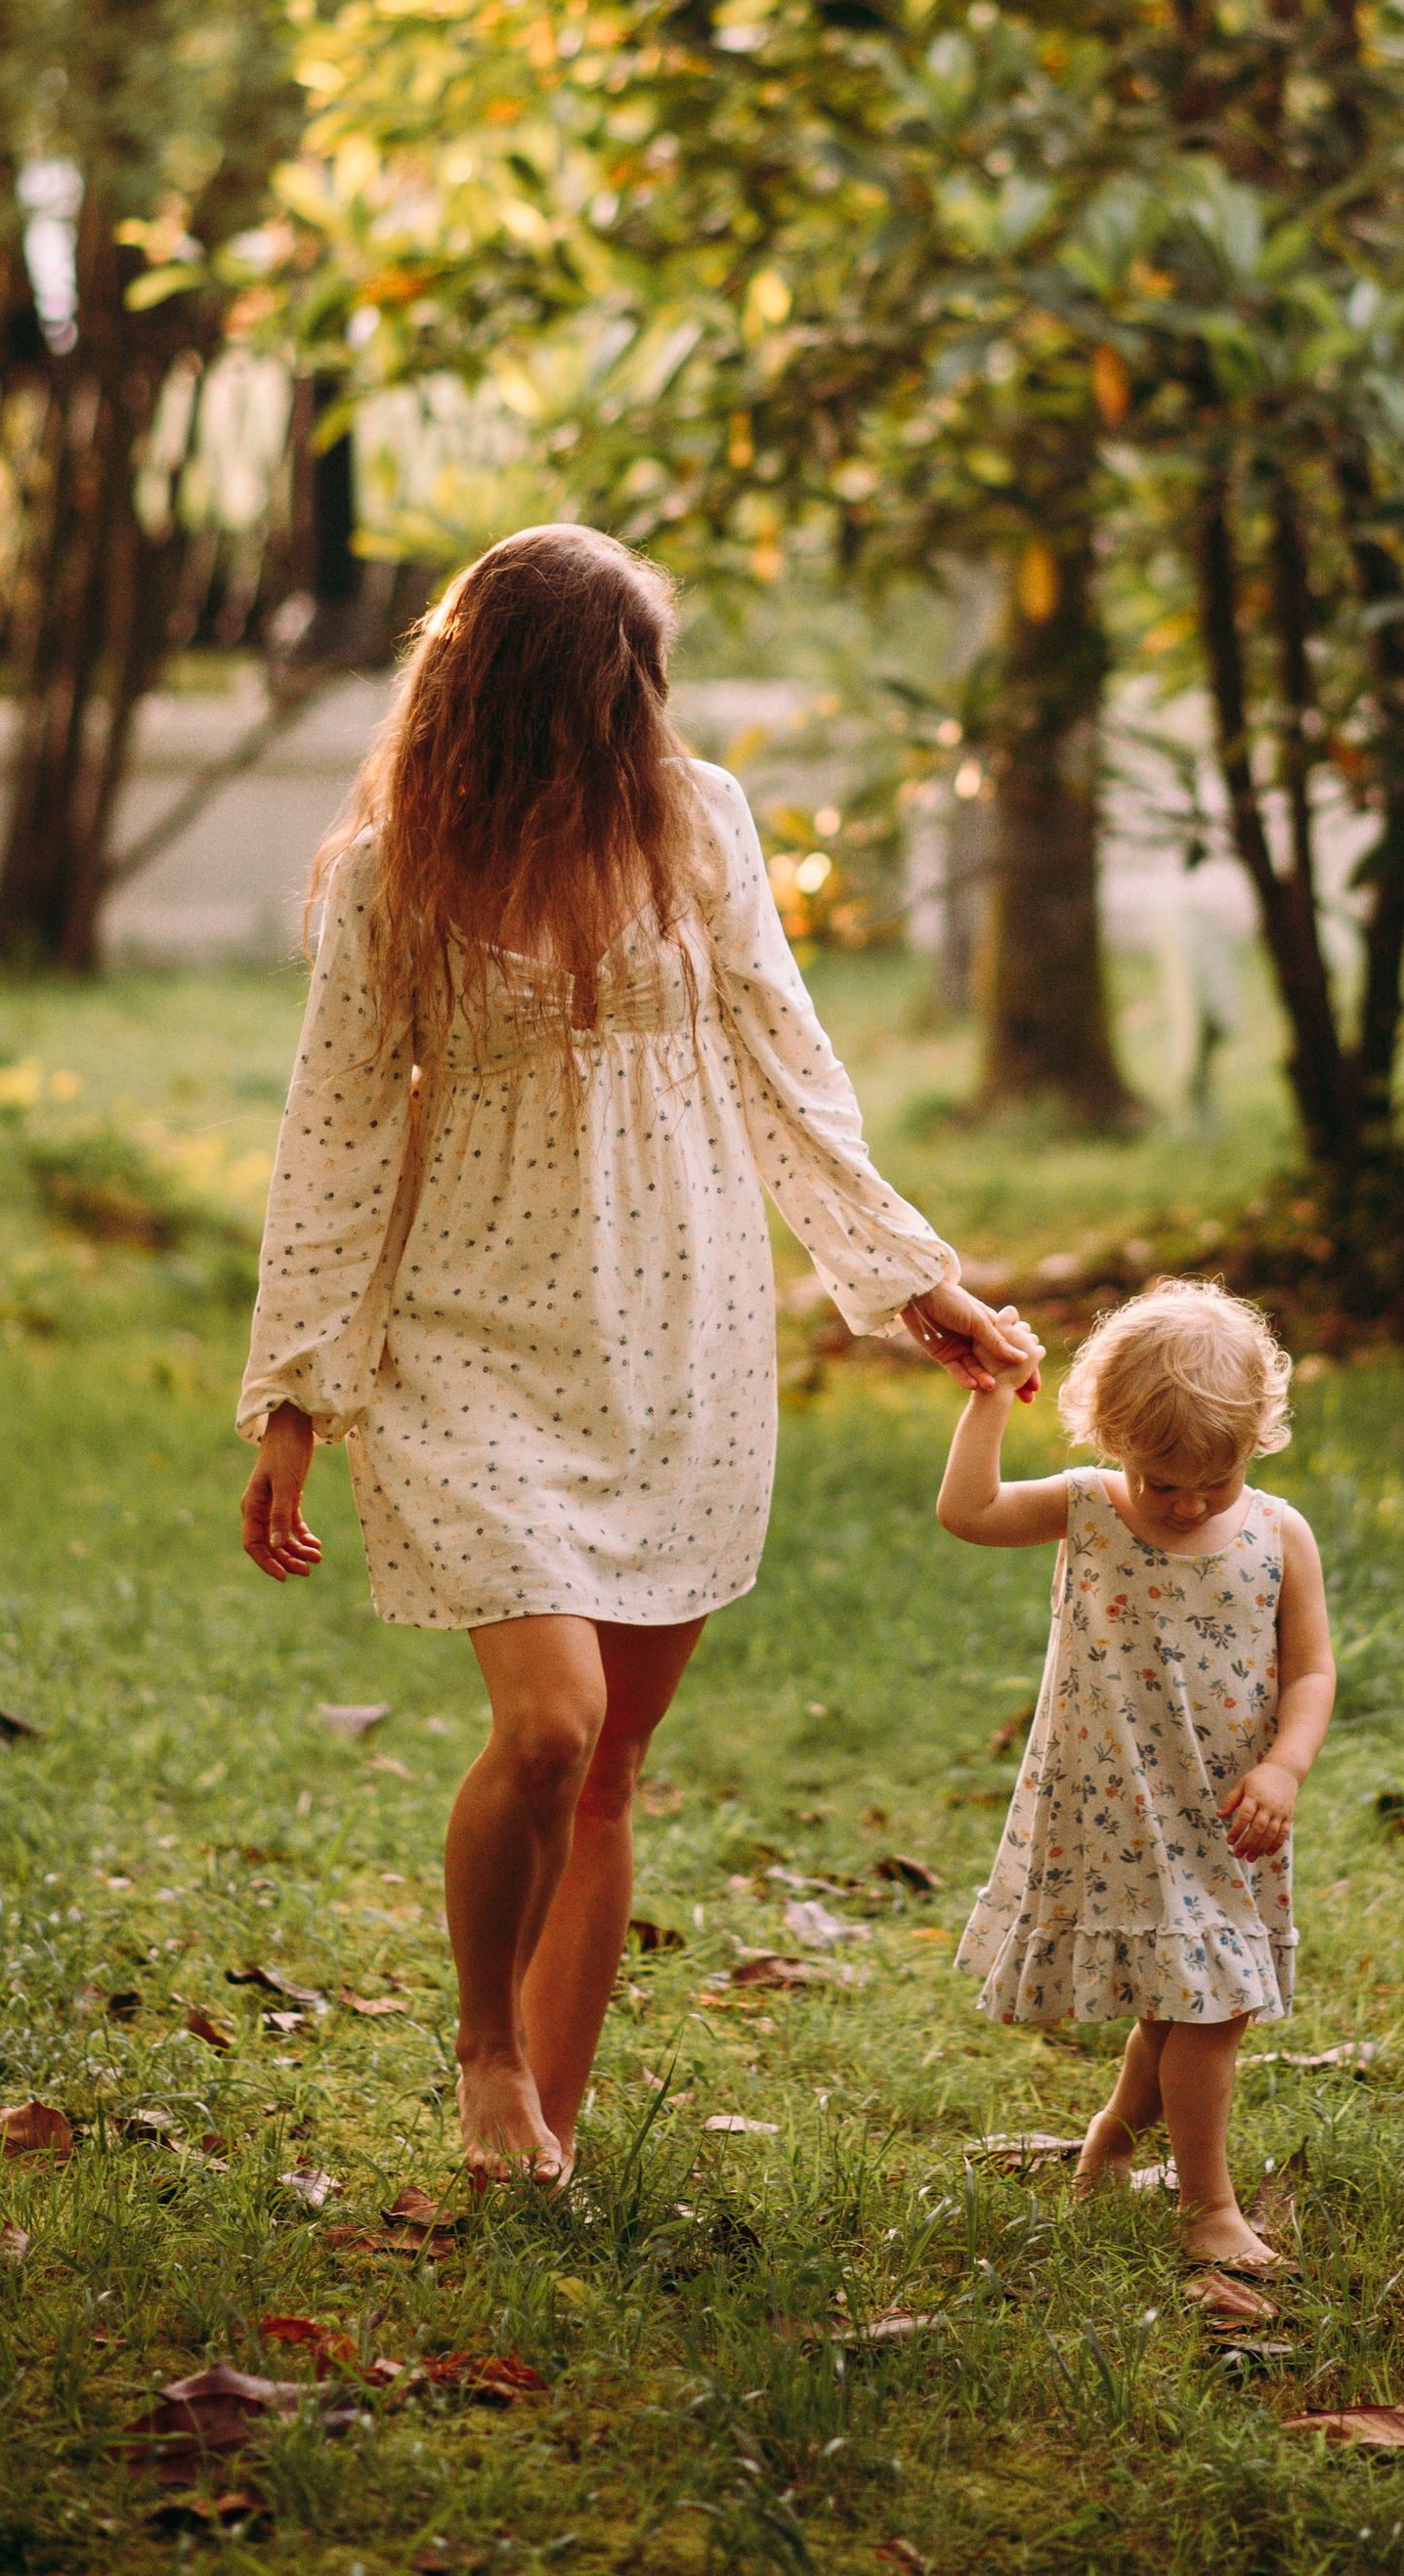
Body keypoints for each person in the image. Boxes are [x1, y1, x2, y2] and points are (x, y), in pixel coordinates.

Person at [234, 525, 1039, 2187]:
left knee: (607, 1766)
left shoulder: (704, 818)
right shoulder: (395, 874)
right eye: (626, 685)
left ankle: (549, 2125)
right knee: (549, 1723)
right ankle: (483, 2044)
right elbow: (334, 1135)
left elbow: (786, 1063)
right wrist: (297, 1395)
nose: (648, 715)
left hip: (679, 1326)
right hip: (467, 1328)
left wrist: (913, 1280)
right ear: (539, 694)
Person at [936, 1279, 1335, 2269]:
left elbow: (1312, 1670)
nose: (1189, 1504)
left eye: (1215, 1480)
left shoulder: (1279, 1533)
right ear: (1110, 1437)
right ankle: (1208, 2210)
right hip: (1120, 1808)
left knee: (1187, 1995)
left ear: (1259, 1438)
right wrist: (993, 1397)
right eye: (1162, 1483)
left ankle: (1114, 2134)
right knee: (1212, 2006)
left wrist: (1285, 1768)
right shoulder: (1086, 1508)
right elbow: (969, 1511)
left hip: (1229, 1813)